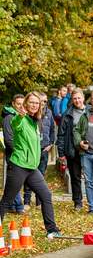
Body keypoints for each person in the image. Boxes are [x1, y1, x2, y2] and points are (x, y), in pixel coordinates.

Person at [0, 91, 60, 238]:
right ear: (26, 104)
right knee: (7, 200)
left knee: (46, 195)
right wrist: (19, 116)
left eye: (36, 102)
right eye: (31, 102)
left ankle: (52, 229)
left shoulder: (35, 121)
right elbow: (16, 125)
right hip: (19, 165)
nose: (34, 105)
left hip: (32, 168)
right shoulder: (19, 118)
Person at [24, 92, 55, 210]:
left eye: (45, 101)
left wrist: (51, 144)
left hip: (44, 149)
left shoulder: (49, 113)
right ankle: (26, 201)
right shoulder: (31, 115)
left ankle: (38, 201)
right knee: (28, 175)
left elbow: (52, 129)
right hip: (32, 150)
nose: (42, 103)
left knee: (40, 175)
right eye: (40, 101)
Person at [56, 88, 86, 211]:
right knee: (75, 177)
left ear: (83, 98)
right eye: (74, 98)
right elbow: (61, 134)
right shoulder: (67, 114)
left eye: (79, 98)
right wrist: (61, 153)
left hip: (90, 150)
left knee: (92, 177)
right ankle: (77, 202)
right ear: (72, 100)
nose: (77, 100)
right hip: (73, 151)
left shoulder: (90, 111)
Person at [1, 94, 25, 214]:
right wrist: (19, 150)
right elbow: (9, 139)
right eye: (18, 104)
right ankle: (18, 206)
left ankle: (12, 205)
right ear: (13, 104)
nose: (21, 106)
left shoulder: (21, 117)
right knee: (15, 181)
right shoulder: (9, 118)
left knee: (14, 181)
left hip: (21, 154)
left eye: (23, 104)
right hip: (13, 154)